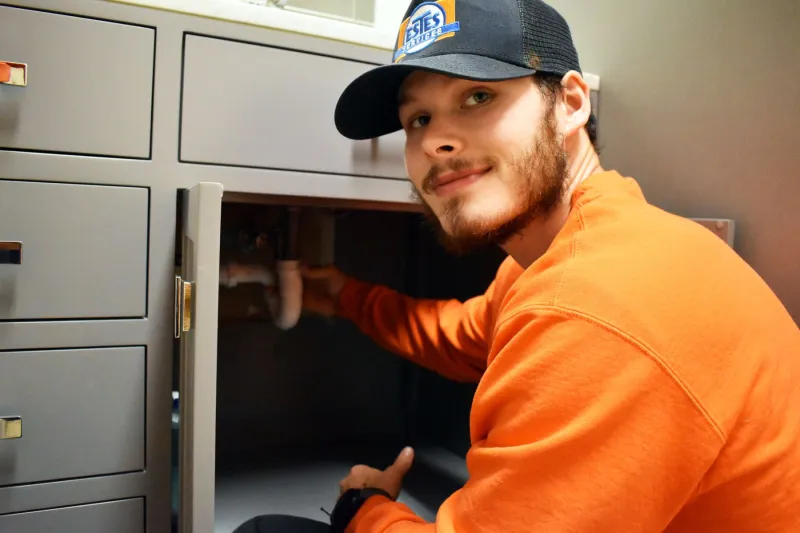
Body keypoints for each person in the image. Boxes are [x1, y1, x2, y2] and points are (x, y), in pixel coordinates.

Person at [233, 0, 800, 531]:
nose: (435, 141)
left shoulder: (596, 305)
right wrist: (343, 295)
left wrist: (364, 509)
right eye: (418, 119)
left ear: (570, 103)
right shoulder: (572, 250)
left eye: (477, 96)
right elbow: (460, 337)